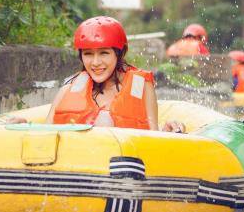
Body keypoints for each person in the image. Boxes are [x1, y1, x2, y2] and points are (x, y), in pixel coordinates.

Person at [45, 16, 185, 133]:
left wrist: (166, 131)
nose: (95, 62)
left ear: (119, 53)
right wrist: (24, 125)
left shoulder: (141, 88)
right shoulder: (68, 88)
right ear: (81, 56)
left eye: (104, 53)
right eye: (88, 54)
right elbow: (44, 133)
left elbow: (153, 136)